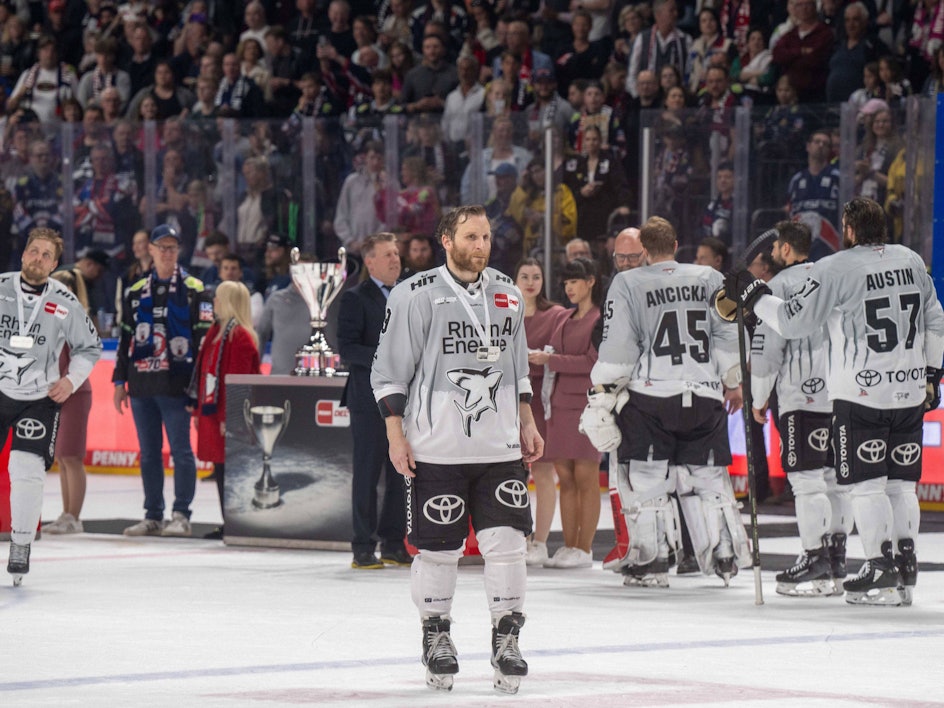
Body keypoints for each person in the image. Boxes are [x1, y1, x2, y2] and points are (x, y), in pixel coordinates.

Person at [724, 197, 944, 606]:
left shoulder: (836, 267)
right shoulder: (911, 260)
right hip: (910, 389)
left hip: (862, 393)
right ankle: (904, 567)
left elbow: (791, 322)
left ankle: (878, 566)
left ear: (849, 229)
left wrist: (753, 294)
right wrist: (932, 373)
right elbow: (935, 318)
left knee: (867, 485)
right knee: (901, 484)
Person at [371, 205, 542, 694]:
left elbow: (517, 366)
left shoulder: (508, 293)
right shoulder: (413, 294)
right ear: (446, 240)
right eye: (470, 237)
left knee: (508, 547)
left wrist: (527, 421)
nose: (481, 245)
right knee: (438, 550)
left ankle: (507, 639)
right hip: (436, 449)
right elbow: (388, 371)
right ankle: (436, 637)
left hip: (500, 447)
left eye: (485, 237)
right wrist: (396, 435)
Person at [581, 216, 746, 588]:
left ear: (643, 251)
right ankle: (724, 554)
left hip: (651, 396)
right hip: (704, 394)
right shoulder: (709, 278)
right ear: (675, 245)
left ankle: (652, 562)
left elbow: (619, 346)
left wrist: (603, 392)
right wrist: (734, 381)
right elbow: (728, 331)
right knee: (707, 478)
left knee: (647, 479)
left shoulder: (628, 282)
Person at [749, 220, 852, 597]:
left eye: (775, 247)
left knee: (807, 482)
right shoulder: (832, 278)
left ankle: (814, 558)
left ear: (785, 249)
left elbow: (766, 352)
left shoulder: (777, 287)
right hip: (841, 393)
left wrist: (759, 397)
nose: (772, 253)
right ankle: (836, 561)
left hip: (800, 395)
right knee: (836, 480)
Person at [3, 229, 102, 584]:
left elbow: (90, 347)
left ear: (54, 264)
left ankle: (21, 544)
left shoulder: (64, 301)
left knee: (26, 471)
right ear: (23, 254)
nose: (38, 259)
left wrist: (71, 380)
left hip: (39, 399)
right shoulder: (1, 288)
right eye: (34, 251)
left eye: (46, 255)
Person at [113, 225, 213, 538]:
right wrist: (119, 382)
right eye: (162, 247)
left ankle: (181, 514)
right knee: (149, 453)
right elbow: (125, 340)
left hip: (176, 385)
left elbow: (203, 344)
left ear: (178, 251)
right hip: (141, 385)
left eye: (172, 247)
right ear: (151, 250)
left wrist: (198, 390)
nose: (167, 253)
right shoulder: (135, 290)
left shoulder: (196, 289)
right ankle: (153, 515)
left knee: (181, 451)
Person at [338, 232, 411, 569]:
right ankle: (363, 546)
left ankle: (394, 544)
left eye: (396, 253)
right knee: (367, 474)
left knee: (401, 473)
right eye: (387, 254)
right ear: (370, 262)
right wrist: (389, 358)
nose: (395, 259)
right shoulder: (355, 298)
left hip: (405, 398)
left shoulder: (410, 293)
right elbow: (348, 348)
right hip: (368, 401)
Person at [531, 257, 601, 568]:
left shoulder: (599, 319)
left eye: (575, 281)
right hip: (558, 404)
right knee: (566, 476)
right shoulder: (565, 318)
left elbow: (592, 362)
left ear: (591, 282)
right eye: (566, 282)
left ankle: (584, 547)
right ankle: (569, 544)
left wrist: (551, 361)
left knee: (586, 476)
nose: (569, 287)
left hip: (586, 404)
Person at [189, 280, 261, 539]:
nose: (214, 302)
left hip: (226, 416)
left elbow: (238, 383)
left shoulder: (239, 336)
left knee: (232, 470)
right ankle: (228, 520)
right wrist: (199, 410)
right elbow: (204, 373)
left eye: (218, 298)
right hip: (213, 412)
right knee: (221, 469)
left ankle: (236, 521)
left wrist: (228, 417)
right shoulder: (217, 331)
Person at [515, 257, 569, 566]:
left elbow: (563, 350)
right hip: (507, 400)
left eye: (536, 276)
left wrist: (546, 359)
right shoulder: (504, 312)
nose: (531, 282)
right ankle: (519, 537)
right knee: (512, 472)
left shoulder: (556, 314)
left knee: (544, 470)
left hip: (541, 399)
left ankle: (541, 541)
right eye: (524, 276)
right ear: (515, 280)